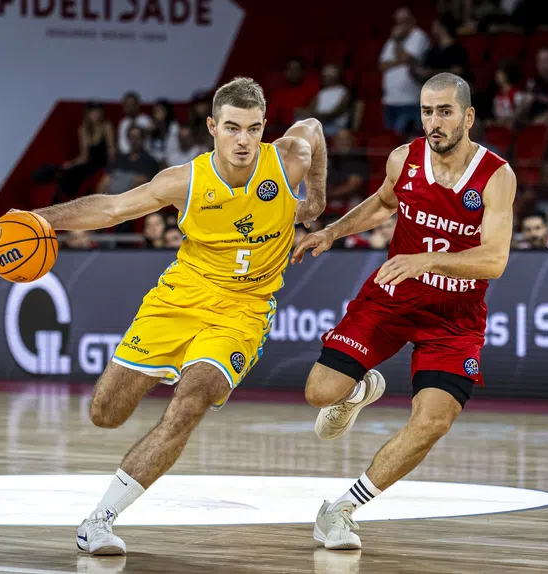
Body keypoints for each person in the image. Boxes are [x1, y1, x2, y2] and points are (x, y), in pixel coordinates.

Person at [18, 77, 327, 556]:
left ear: (265, 127)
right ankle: (168, 365)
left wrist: (316, 197)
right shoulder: (184, 180)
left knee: (191, 401)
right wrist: (42, 218)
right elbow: (112, 209)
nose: (243, 140)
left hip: (243, 311)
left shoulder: (287, 160)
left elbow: (314, 129)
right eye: (232, 128)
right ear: (212, 127)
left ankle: (99, 521)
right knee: (106, 413)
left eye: (253, 129)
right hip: (181, 298)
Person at [292, 73, 516, 550]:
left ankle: (341, 510)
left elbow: (494, 260)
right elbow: (382, 204)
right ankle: (359, 390)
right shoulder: (404, 158)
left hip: (454, 317)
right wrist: (332, 232)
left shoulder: (496, 175)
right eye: (427, 112)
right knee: (319, 393)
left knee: (433, 421)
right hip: (394, 297)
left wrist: (427, 260)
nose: (434, 122)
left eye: (445, 112)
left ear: (468, 117)